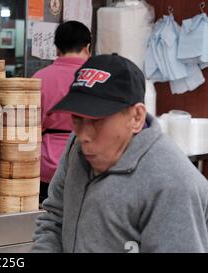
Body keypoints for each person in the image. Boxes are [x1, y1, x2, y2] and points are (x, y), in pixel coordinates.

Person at [31, 54, 208, 253]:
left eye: (97, 120)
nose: (83, 135)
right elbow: (55, 217)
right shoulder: (77, 145)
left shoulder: (173, 185)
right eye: (77, 118)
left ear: (136, 117)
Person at [32, 21, 91, 203]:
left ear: (57, 49)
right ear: (88, 47)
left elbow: (30, 130)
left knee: (48, 222)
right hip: (87, 164)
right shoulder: (95, 79)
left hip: (46, 168)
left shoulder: (38, 79)